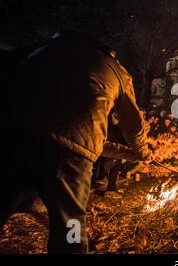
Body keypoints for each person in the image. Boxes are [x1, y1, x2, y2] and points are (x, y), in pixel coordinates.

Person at [0, 32, 151, 253]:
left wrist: (129, 154)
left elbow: (62, 135)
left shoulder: (45, 49)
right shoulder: (115, 70)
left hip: (13, 138)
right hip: (69, 160)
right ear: (110, 54)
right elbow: (132, 125)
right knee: (70, 225)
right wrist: (143, 152)